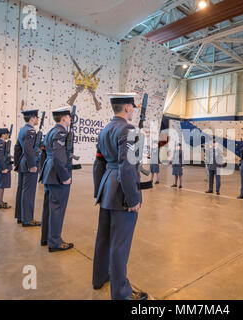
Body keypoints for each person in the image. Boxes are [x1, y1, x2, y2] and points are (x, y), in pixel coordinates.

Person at [92, 93, 148, 300]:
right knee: (120, 245)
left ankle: (99, 277)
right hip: (121, 192)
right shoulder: (128, 129)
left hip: (107, 188)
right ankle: (121, 293)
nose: (133, 110)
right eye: (132, 106)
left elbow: (98, 164)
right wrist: (133, 199)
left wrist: (99, 191)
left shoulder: (105, 129)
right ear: (126, 107)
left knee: (104, 238)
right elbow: (127, 167)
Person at [40, 106, 73, 252]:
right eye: (69, 117)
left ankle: (46, 238)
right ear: (64, 118)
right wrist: (65, 176)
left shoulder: (51, 131)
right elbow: (59, 157)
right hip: (57, 174)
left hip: (49, 171)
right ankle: (55, 242)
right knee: (57, 209)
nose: (70, 120)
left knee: (49, 208)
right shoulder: (60, 132)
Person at [17, 110, 41, 227]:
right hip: (28, 164)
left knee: (22, 190)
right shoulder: (30, 130)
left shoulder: (22, 129)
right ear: (32, 118)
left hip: (23, 162)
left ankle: (21, 216)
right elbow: (28, 149)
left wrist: (17, 164)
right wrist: (32, 165)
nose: (38, 119)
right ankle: (27, 219)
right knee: (28, 192)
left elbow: (18, 148)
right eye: (37, 117)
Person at [0, 128, 12, 209]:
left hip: (2, 166)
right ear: (3, 134)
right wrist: (3, 168)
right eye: (7, 134)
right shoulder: (1, 143)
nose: (8, 135)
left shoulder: (1, 142)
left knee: (0, 184)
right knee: (0, 185)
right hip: (2, 167)